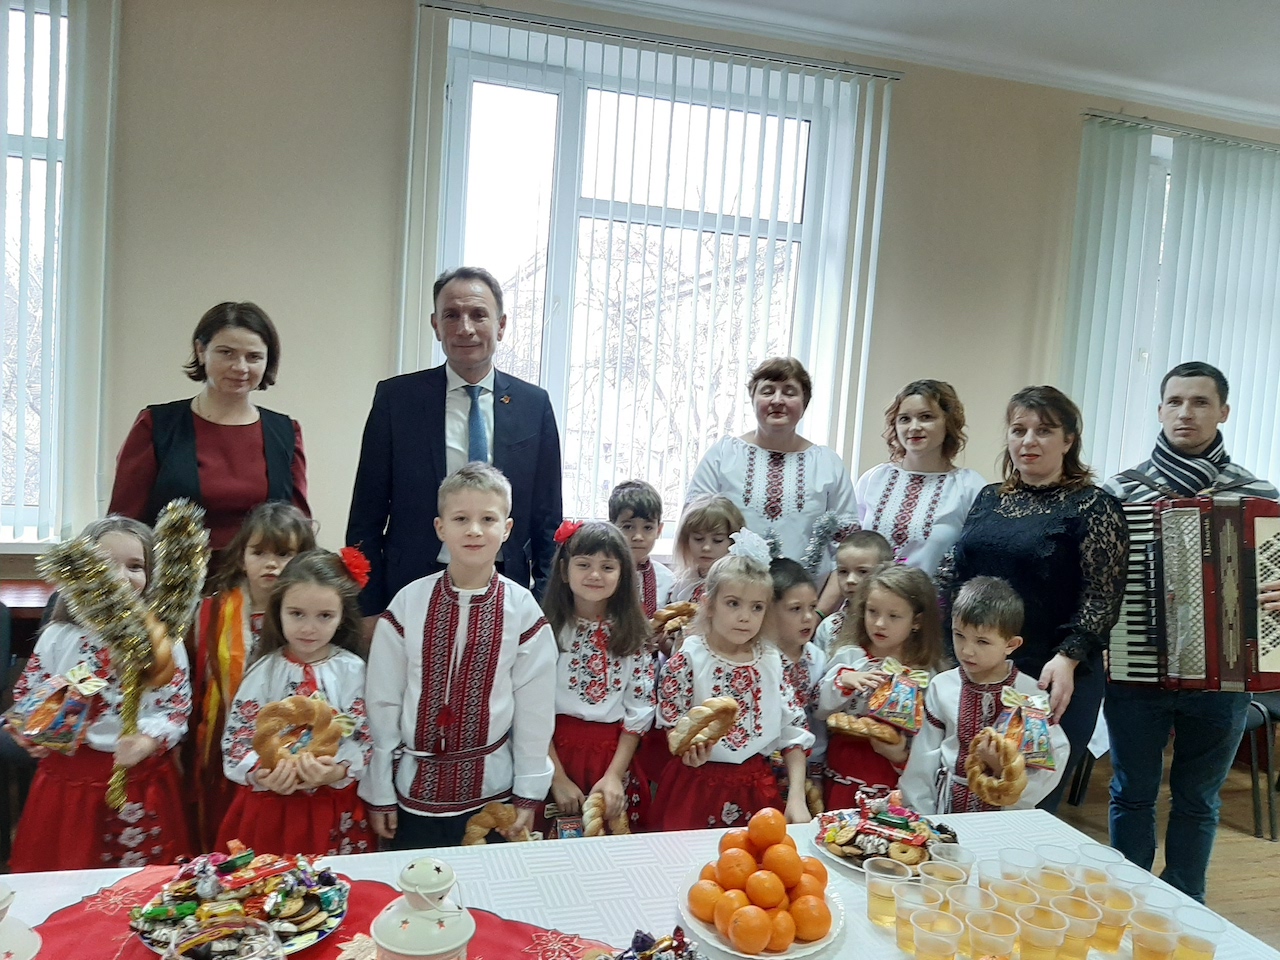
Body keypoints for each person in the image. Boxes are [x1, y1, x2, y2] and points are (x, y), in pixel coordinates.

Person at [1102, 362, 1278, 903]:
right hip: (1136, 669)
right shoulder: (1121, 491)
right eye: (1175, 401)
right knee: (1132, 792)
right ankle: (1128, 901)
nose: (1186, 413)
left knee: (1199, 800)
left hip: (1225, 678)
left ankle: (1184, 905)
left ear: (1223, 412)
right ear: (1159, 410)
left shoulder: (1259, 494)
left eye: (1200, 402)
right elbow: (1097, 582)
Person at [937, 385, 1127, 813]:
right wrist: (950, 645)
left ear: (1069, 439)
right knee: (962, 794)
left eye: (1044, 430)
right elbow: (957, 574)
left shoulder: (1094, 506)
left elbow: (1103, 597)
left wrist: (1069, 658)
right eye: (1018, 429)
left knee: (1024, 804)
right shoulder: (990, 498)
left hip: (1050, 676)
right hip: (978, 668)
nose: (1028, 441)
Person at [359, 463, 556, 848]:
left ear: (507, 529)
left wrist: (528, 791)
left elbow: (534, 708)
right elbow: (383, 699)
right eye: (461, 519)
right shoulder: (409, 603)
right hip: (413, 793)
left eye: (488, 519)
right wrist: (379, 787)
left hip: (493, 793)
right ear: (440, 527)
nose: (474, 530)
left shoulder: (522, 610)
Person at [346, 267, 563, 613]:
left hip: (507, 593)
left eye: (478, 315)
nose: (465, 328)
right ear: (436, 325)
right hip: (408, 591)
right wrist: (369, 609)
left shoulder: (533, 406)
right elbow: (365, 516)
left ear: (501, 325)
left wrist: (544, 605)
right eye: (451, 315)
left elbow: (548, 518)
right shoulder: (396, 400)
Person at [8, 518, 192, 871]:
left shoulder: (163, 640)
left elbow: (176, 708)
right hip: (70, 782)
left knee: (140, 882)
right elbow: (31, 694)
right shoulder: (60, 636)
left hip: (138, 778)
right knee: (66, 873)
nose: (121, 577)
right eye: (105, 564)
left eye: (135, 566)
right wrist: (33, 730)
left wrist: (148, 741)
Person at [109, 302, 309, 551]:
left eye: (254, 357)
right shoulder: (156, 425)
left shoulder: (286, 432)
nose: (240, 367)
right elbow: (124, 524)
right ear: (201, 351)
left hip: (262, 574)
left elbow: (298, 527)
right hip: (175, 573)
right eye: (227, 353)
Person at [217, 550, 375, 856]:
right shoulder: (263, 672)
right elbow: (237, 739)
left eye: (324, 616)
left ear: (342, 616)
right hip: (273, 809)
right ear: (279, 611)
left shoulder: (353, 671)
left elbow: (366, 738)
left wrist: (337, 771)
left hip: (332, 808)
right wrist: (261, 773)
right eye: (297, 614)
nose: (308, 628)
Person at [654, 533, 814, 830]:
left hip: (757, 790)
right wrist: (689, 753)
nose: (745, 617)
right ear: (708, 603)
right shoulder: (688, 660)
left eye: (757, 607)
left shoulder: (772, 661)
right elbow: (675, 732)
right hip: (695, 788)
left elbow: (793, 732)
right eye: (733, 604)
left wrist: (796, 797)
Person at [188, 502, 316, 847]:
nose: (271, 564)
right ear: (241, 557)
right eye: (258, 552)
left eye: (284, 554)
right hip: (229, 747)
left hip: (296, 747)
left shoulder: (312, 617)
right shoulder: (211, 612)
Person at [685, 357, 858, 613]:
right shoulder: (723, 455)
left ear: (804, 403)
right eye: (767, 391)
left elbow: (846, 552)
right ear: (753, 398)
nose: (777, 400)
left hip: (803, 613)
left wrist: (816, 616)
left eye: (789, 392)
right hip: (731, 611)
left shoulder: (827, 464)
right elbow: (695, 534)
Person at [900, 576, 1069, 814]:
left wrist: (1006, 776)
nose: (967, 651)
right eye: (959, 635)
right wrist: (922, 813)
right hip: (947, 806)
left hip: (1004, 812)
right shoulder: (943, 686)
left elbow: (1055, 754)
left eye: (982, 641)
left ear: (1011, 644)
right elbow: (923, 757)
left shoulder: (1029, 694)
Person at [542, 521, 654, 831]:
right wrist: (557, 777)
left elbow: (639, 708)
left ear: (623, 574)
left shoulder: (633, 636)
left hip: (613, 760)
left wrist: (614, 775)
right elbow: (532, 709)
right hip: (554, 755)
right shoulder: (546, 631)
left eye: (607, 567)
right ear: (564, 571)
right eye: (583, 565)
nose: (595, 575)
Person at [815, 564, 948, 810]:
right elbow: (819, 710)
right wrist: (844, 681)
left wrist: (899, 755)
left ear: (917, 621)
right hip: (843, 772)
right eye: (872, 611)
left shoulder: (926, 675)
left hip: (893, 783)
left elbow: (928, 744)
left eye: (893, 616)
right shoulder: (851, 657)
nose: (879, 623)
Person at [855, 380, 986, 578]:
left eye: (926, 417)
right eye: (904, 419)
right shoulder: (873, 480)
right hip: (869, 596)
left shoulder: (969, 487)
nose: (914, 427)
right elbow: (851, 551)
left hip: (935, 597)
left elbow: (979, 561)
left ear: (948, 422)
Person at [767, 557, 827, 796]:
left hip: (806, 765)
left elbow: (818, 721)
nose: (808, 617)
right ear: (769, 610)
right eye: (795, 609)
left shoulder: (817, 657)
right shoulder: (759, 658)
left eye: (812, 607)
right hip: (764, 767)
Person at [813, 530, 893, 651]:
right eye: (843, 572)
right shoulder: (828, 627)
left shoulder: (896, 623)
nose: (850, 580)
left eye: (862, 571)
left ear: (885, 571)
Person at [609, 480, 673, 619]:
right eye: (628, 527)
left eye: (648, 528)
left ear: (659, 530)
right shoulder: (603, 575)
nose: (638, 536)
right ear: (612, 527)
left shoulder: (668, 580)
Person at [670, 494, 746, 606]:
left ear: (733, 542)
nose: (706, 547)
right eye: (698, 539)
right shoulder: (686, 580)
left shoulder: (739, 584)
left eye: (717, 540)